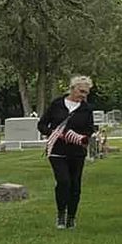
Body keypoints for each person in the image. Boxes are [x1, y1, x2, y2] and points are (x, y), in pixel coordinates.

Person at [37, 76, 95, 229]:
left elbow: (89, 129)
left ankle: (71, 217)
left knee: (75, 185)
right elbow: (42, 124)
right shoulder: (57, 104)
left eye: (86, 93)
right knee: (63, 182)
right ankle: (61, 214)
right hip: (57, 151)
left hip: (76, 152)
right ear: (72, 88)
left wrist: (79, 137)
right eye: (81, 91)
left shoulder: (87, 109)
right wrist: (54, 133)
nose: (83, 95)